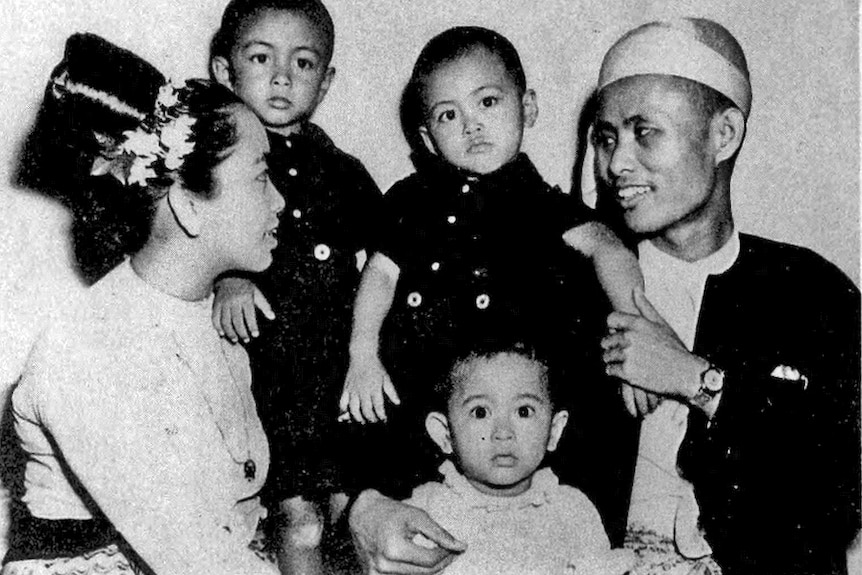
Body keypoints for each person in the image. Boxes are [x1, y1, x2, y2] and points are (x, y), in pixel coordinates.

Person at [5, 33, 284, 575]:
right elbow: (197, 560)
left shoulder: (216, 310)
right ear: (188, 207)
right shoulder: (87, 351)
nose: (280, 199)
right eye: (260, 176)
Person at [593, 17, 860, 574]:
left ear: (724, 134)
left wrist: (700, 382)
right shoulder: (575, 284)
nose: (617, 163)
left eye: (646, 132)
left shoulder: (814, 293)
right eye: (606, 137)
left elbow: (840, 493)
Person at [340, 26, 643, 495]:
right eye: (448, 115)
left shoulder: (545, 205)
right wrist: (362, 353)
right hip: (429, 408)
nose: (471, 124)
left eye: (487, 102)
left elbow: (609, 249)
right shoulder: (410, 202)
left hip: (523, 414)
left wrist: (635, 329)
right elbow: (378, 274)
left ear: (527, 107)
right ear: (427, 138)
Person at [207, 1, 384, 573]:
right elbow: (189, 242)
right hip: (271, 379)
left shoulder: (344, 172)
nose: (282, 76)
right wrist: (230, 277)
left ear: (326, 82)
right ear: (223, 70)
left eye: (304, 63)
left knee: (355, 512)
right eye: (261, 57)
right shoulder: (215, 166)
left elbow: (389, 256)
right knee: (300, 521)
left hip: (339, 375)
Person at [405, 340, 635, 575]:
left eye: (523, 411)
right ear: (444, 434)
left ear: (553, 431)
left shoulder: (573, 511)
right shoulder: (426, 511)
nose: (503, 433)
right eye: (480, 412)